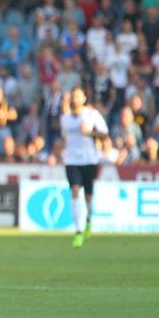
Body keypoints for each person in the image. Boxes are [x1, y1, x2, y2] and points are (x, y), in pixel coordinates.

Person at [60, 87, 109, 248]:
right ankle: (78, 231)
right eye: (72, 96)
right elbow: (64, 138)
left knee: (88, 195)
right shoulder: (65, 118)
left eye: (77, 96)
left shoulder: (91, 115)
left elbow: (104, 134)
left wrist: (88, 133)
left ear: (83, 99)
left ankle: (88, 219)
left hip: (89, 159)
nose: (74, 99)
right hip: (72, 160)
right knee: (74, 191)